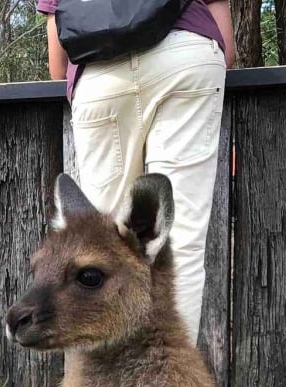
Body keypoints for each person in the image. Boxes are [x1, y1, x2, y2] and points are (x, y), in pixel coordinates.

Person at [41, 0, 234, 344]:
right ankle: (170, 385)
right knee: (180, 244)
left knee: (94, 247)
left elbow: (58, 64)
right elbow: (227, 45)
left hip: (99, 72)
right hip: (186, 58)